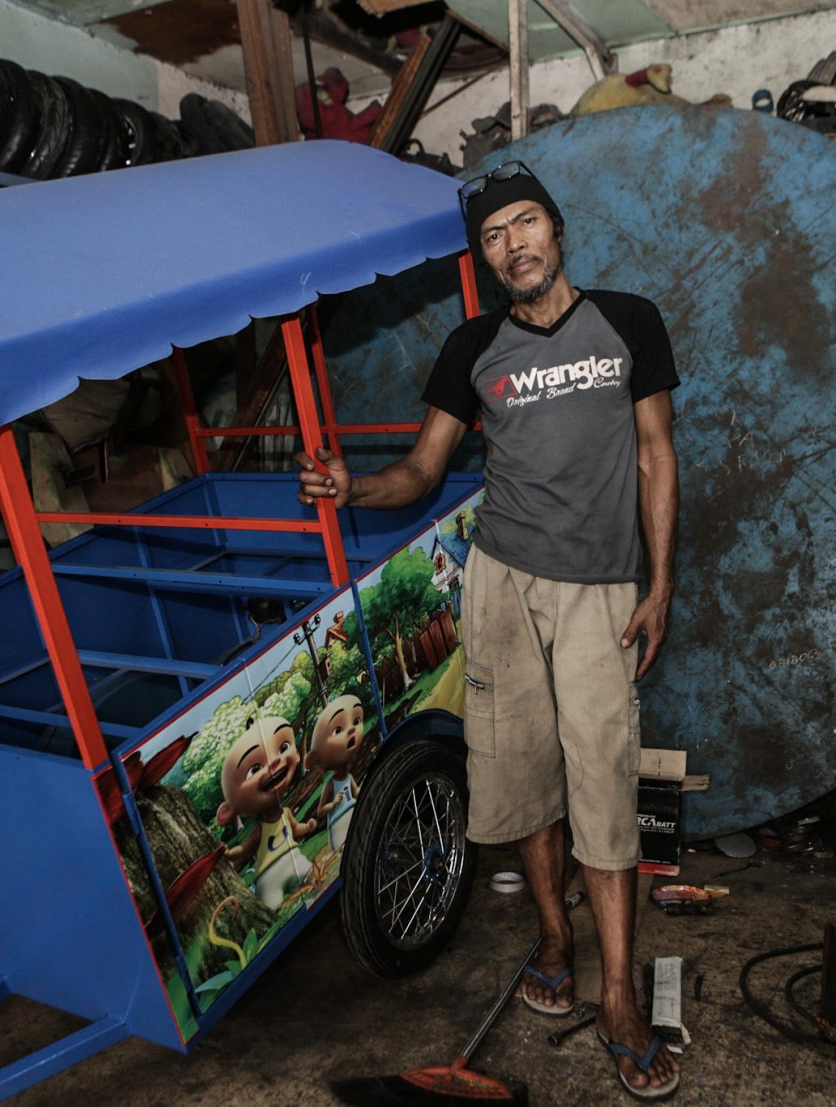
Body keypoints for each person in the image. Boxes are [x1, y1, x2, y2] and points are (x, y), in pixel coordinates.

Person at [295, 161, 681, 1099]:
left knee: (602, 781)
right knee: (515, 778)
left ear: (557, 229)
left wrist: (660, 582)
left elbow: (654, 453)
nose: (513, 245)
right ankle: (551, 939)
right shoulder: (473, 345)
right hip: (502, 584)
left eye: (525, 224)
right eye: (493, 236)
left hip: (598, 591)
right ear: (484, 256)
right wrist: (356, 486)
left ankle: (618, 996)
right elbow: (422, 471)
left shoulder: (627, 321)